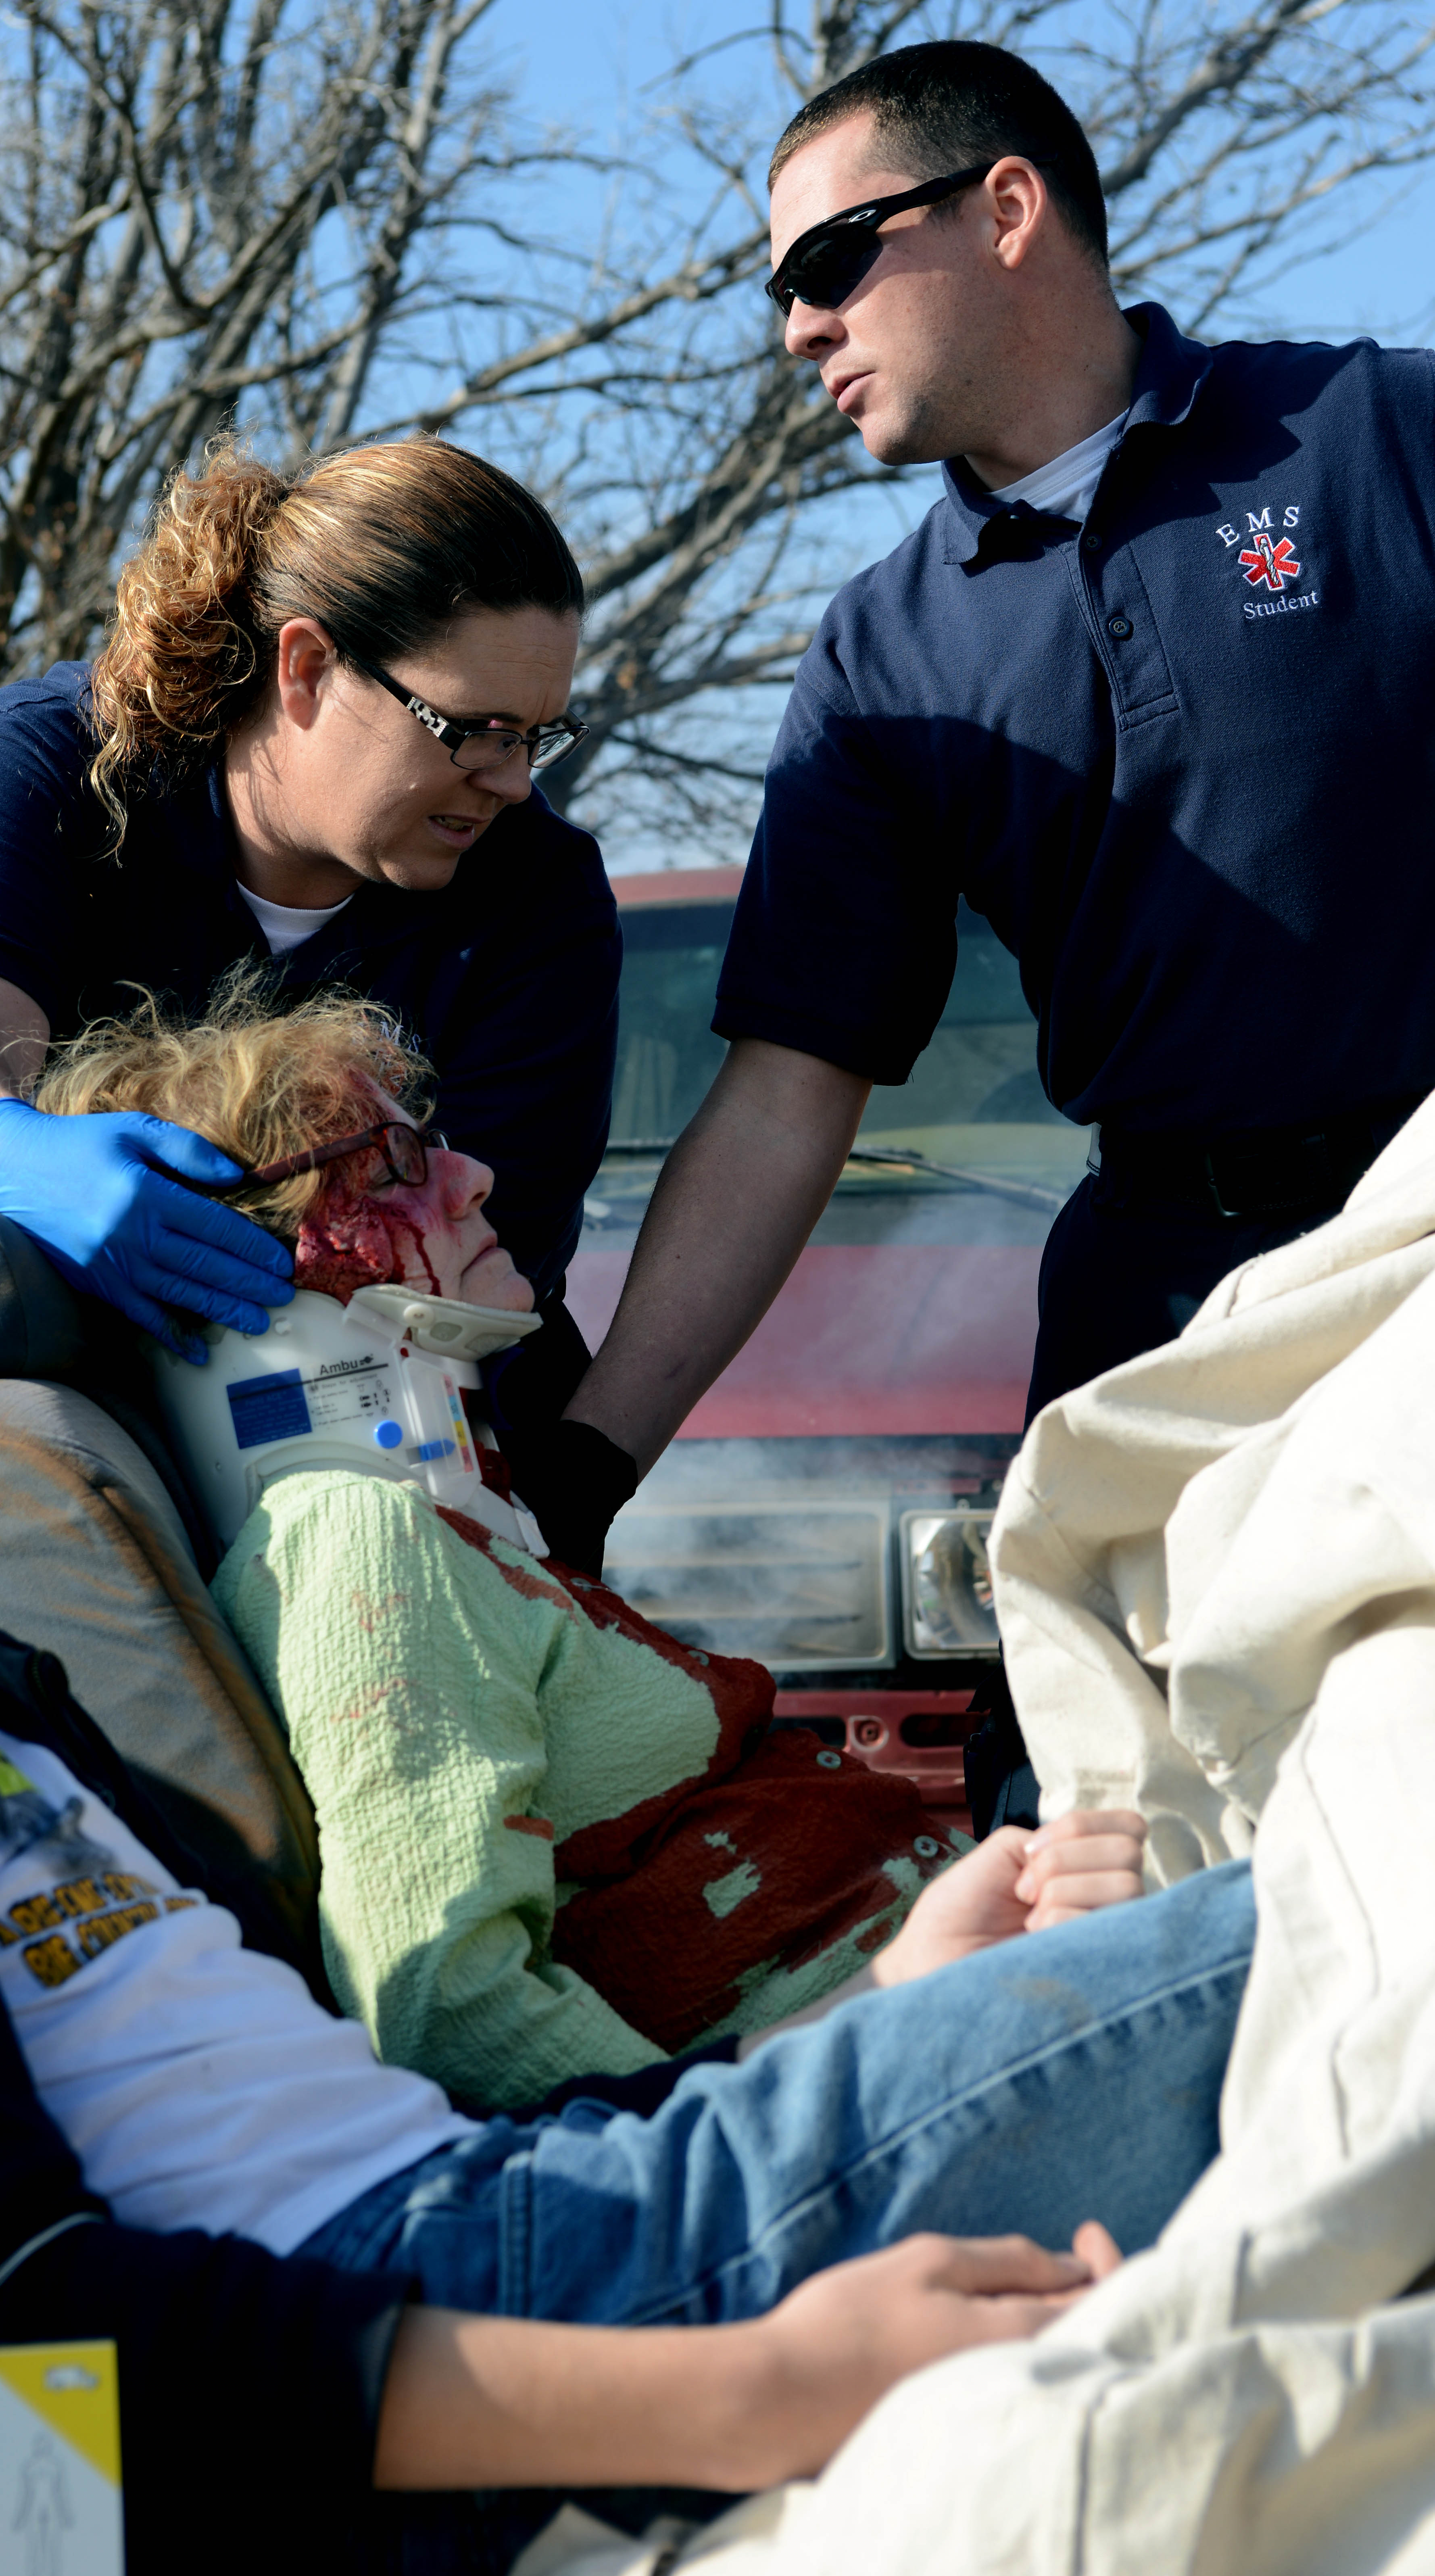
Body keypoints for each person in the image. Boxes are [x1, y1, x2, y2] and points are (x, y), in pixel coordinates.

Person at [0, 1178, 1252, 2576]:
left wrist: (859, 2016)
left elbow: (381, 2122)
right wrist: (743, 2393)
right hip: (459, 2325)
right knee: (1323, 1945)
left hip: (540, 2213)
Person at [521, 39, 1435, 1814]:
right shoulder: (881, 660)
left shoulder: (1378, 439)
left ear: (1004, 208)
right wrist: (584, 1463)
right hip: (1161, 1303)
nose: (794, 326)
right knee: (1084, 1828)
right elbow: (792, 1089)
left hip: (1421, 1246)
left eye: (824, 263)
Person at [30, 979, 1143, 2106]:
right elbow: (443, 2009)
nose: (475, 1177)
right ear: (254, 1259)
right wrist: (877, 2008)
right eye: (396, 1164)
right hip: (881, 2098)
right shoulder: (356, 1532)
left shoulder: (453, 1519)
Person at [0, 433, 618, 1438]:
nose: (514, 781)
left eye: (536, 736)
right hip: (66, 1399)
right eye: (473, 728)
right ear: (305, 668)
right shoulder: (41, 769)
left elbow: (482, 1266)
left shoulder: (538, 893)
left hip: (404, 1422)